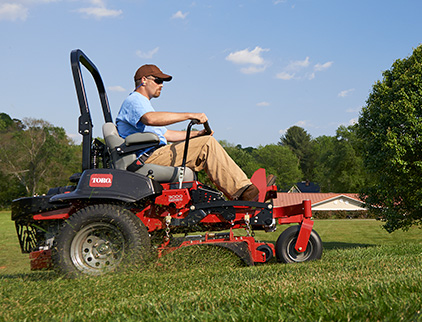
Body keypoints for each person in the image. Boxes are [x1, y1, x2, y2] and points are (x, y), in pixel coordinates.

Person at [115, 64, 259, 201]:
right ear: (144, 80)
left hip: (155, 154)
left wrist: (198, 134)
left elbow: (167, 135)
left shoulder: (143, 105)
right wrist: (190, 115)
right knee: (206, 145)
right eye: (158, 80)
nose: (162, 85)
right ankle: (243, 192)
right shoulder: (134, 100)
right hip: (145, 159)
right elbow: (150, 119)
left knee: (204, 142)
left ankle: (233, 194)